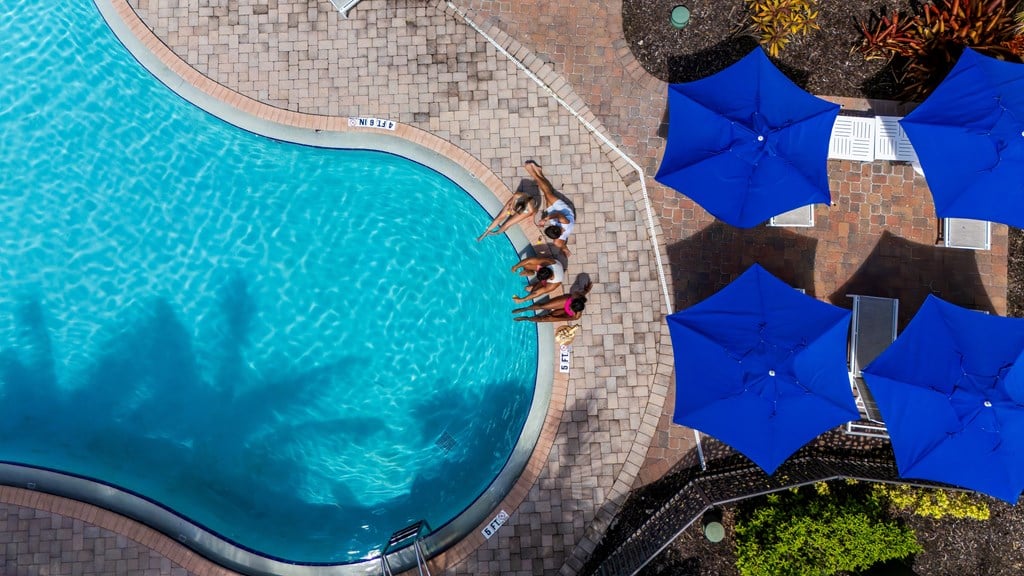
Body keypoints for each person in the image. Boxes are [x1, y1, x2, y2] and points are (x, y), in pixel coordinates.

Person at [524, 161, 575, 256]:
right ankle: (533, 173)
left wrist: (565, 249)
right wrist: (545, 219)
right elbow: (558, 215)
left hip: (553, 213)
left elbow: (561, 243)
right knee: (547, 193)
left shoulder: (557, 241)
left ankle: (539, 172)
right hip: (563, 210)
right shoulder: (565, 223)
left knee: (546, 192)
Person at [513, 279, 592, 323]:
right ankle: (525, 309)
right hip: (565, 301)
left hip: (566, 313)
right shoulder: (577, 296)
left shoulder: (575, 316)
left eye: (571, 308)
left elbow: (561, 318)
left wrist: (553, 318)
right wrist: (586, 290)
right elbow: (582, 294)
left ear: (574, 310)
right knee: (543, 306)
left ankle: (526, 318)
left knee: (544, 318)